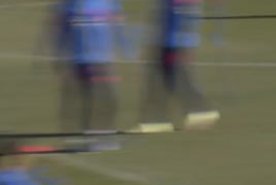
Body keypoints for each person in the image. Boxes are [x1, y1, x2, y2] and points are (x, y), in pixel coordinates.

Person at [50, 0, 131, 150]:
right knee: (97, 99)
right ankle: (92, 138)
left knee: (104, 99)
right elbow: (62, 29)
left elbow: (118, 24)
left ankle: (95, 136)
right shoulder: (71, 4)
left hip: (97, 60)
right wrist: (59, 55)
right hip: (87, 60)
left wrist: (126, 49)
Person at [132, 0, 220, 133]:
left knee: (162, 71)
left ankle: (159, 120)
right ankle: (159, 119)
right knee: (164, 71)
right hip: (176, 20)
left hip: (172, 21)